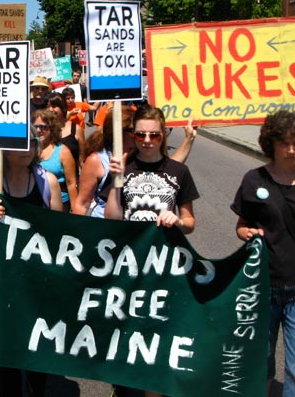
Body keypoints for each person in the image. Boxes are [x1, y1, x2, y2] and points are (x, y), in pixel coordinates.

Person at [104, 105, 199, 397]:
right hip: (130, 269)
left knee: (158, 339)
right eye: (141, 134)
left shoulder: (179, 171)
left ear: (164, 134)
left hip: (164, 271)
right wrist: (114, 183)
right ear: (132, 134)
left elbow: (191, 222)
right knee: (128, 336)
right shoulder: (124, 166)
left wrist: (178, 220)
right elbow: (112, 218)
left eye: (154, 135)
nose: (146, 140)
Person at [0, 126, 63, 397]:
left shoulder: (48, 182)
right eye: (20, 143)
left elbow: (62, 240)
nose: (27, 148)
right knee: (5, 356)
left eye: (32, 142)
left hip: (37, 283)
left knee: (36, 352)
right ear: (4, 148)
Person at [231, 110, 295, 397]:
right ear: (271, 143)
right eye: (285, 143)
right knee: (261, 358)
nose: (292, 149)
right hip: (263, 287)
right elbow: (241, 226)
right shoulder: (254, 180)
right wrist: (246, 233)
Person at [72, 106, 197, 218]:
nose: (144, 137)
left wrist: (189, 139)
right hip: (105, 229)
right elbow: (82, 203)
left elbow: (170, 169)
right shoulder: (97, 160)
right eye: (135, 131)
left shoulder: (141, 154)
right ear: (118, 132)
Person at [33, 109, 78, 212]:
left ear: (52, 129)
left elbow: (71, 183)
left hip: (60, 205)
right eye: (36, 127)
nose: (39, 130)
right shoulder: (30, 151)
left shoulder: (63, 151)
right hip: (35, 203)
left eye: (43, 127)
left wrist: (75, 212)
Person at [47, 92, 86, 169]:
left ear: (63, 108)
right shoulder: (44, 130)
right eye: (48, 106)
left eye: (54, 106)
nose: (50, 109)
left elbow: (82, 160)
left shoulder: (77, 129)